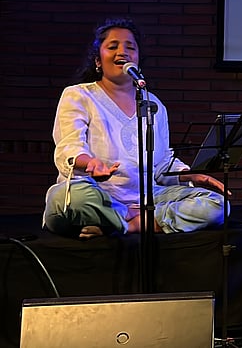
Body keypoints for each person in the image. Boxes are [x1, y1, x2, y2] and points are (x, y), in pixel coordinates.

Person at [43, 17, 227, 239]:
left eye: (130, 47)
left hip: (147, 199)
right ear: (98, 60)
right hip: (97, 194)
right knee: (68, 199)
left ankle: (129, 226)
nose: (123, 52)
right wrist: (90, 163)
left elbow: (160, 164)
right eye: (113, 46)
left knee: (217, 204)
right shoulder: (79, 95)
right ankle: (127, 218)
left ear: (138, 59)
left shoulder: (154, 104)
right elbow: (69, 149)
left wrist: (191, 175)